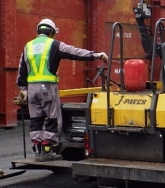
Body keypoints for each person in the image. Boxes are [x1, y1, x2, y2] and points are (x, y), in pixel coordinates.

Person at [16, 18, 108, 162]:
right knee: (52, 117)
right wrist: (96, 55)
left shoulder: (28, 46)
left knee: (36, 119)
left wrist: (22, 89)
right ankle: (47, 150)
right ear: (51, 32)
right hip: (47, 87)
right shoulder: (54, 44)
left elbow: (21, 69)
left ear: (38, 30)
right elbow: (75, 52)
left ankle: (38, 150)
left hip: (31, 89)